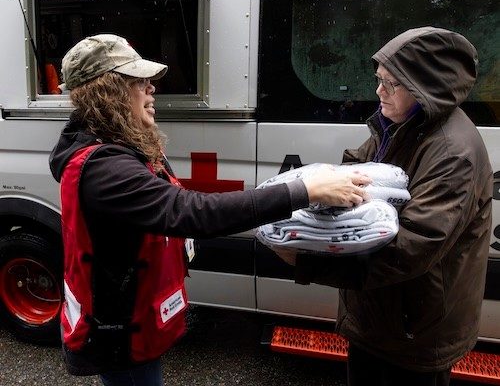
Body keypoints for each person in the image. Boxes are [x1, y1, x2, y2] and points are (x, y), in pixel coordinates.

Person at [48, 34, 370, 386]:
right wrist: (303, 191)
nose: (152, 89)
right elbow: (191, 211)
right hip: (119, 331)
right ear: (108, 92)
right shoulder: (103, 167)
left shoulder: (118, 145)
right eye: (139, 82)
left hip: (135, 315)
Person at [294, 27, 493, 386]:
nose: (378, 90)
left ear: (423, 87)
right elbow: (358, 171)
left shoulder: (451, 152)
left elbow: (412, 248)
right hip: (381, 320)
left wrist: (307, 261)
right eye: (378, 79)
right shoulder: (401, 124)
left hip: (412, 333)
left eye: (390, 83)